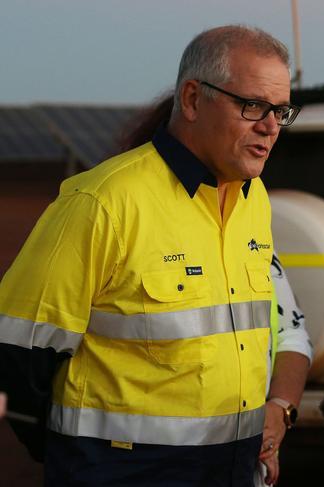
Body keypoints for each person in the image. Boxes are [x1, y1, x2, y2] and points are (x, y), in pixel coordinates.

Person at [0, 25, 306, 486]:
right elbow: (17, 356)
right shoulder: (102, 202)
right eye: (253, 106)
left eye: (280, 111)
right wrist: (82, 461)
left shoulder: (253, 199)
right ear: (191, 99)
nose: (269, 126)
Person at [119, 93, 313, 486]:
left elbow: (292, 333)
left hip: (236, 466)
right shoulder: (120, 212)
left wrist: (279, 411)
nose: (267, 130)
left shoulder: (249, 223)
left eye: (278, 116)